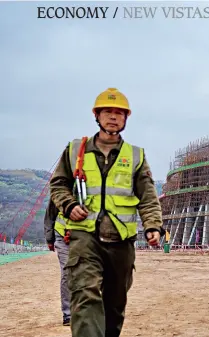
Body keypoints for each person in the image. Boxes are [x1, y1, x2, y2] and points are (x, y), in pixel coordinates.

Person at [49, 87, 165, 337]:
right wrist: (69, 205)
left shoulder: (135, 156)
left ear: (125, 119)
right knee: (84, 293)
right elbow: (58, 184)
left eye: (119, 113)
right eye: (107, 112)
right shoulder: (75, 150)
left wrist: (153, 226)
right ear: (97, 115)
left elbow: (147, 195)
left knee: (114, 304)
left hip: (121, 240)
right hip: (84, 237)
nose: (113, 117)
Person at [44, 198, 71, 326]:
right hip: (62, 235)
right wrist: (50, 238)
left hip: (86, 236)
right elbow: (50, 215)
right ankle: (68, 314)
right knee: (67, 272)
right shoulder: (60, 187)